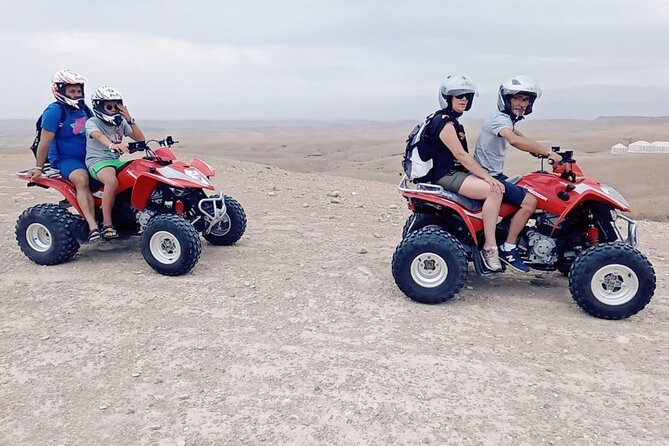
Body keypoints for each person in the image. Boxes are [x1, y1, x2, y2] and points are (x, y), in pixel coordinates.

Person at [473, 75, 562, 272]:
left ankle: (513, 235)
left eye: (526, 100)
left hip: (494, 174)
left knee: (528, 186)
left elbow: (520, 137)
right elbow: (512, 139)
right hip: (489, 177)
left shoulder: (507, 120)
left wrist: (538, 149)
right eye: (518, 98)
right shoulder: (499, 120)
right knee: (530, 201)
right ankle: (509, 248)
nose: (522, 104)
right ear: (506, 99)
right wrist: (547, 153)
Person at [421, 75, 506, 271]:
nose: (464, 100)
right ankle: (490, 248)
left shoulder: (450, 121)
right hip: (446, 176)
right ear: (447, 97)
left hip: (453, 173)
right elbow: (460, 155)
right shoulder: (444, 122)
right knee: (495, 190)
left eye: (467, 96)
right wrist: (487, 177)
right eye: (458, 95)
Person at [27, 69, 101, 243]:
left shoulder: (84, 110)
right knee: (82, 180)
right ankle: (93, 227)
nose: (76, 94)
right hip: (66, 159)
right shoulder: (54, 111)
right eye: (71, 91)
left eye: (78, 91)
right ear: (60, 91)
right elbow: (45, 141)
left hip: (89, 156)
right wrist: (38, 168)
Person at [85, 86, 145, 239]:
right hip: (98, 161)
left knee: (139, 174)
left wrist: (129, 119)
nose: (113, 110)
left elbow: (140, 138)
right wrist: (112, 145)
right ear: (99, 106)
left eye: (116, 106)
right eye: (109, 106)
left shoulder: (120, 123)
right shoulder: (92, 122)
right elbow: (98, 136)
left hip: (115, 161)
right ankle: (107, 224)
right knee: (111, 181)